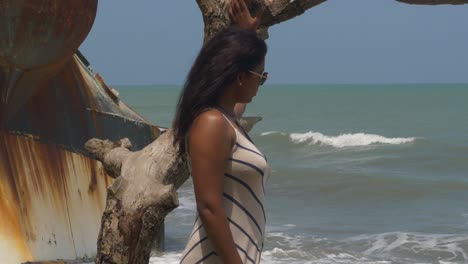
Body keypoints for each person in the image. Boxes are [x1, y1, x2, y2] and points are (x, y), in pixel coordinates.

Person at [172, 2, 269, 264]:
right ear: (240, 76)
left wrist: (247, 33)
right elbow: (208, 206)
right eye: (260, 75)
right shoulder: (212, 123)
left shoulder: (227, 120)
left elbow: (237, 106)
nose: (261, 83)